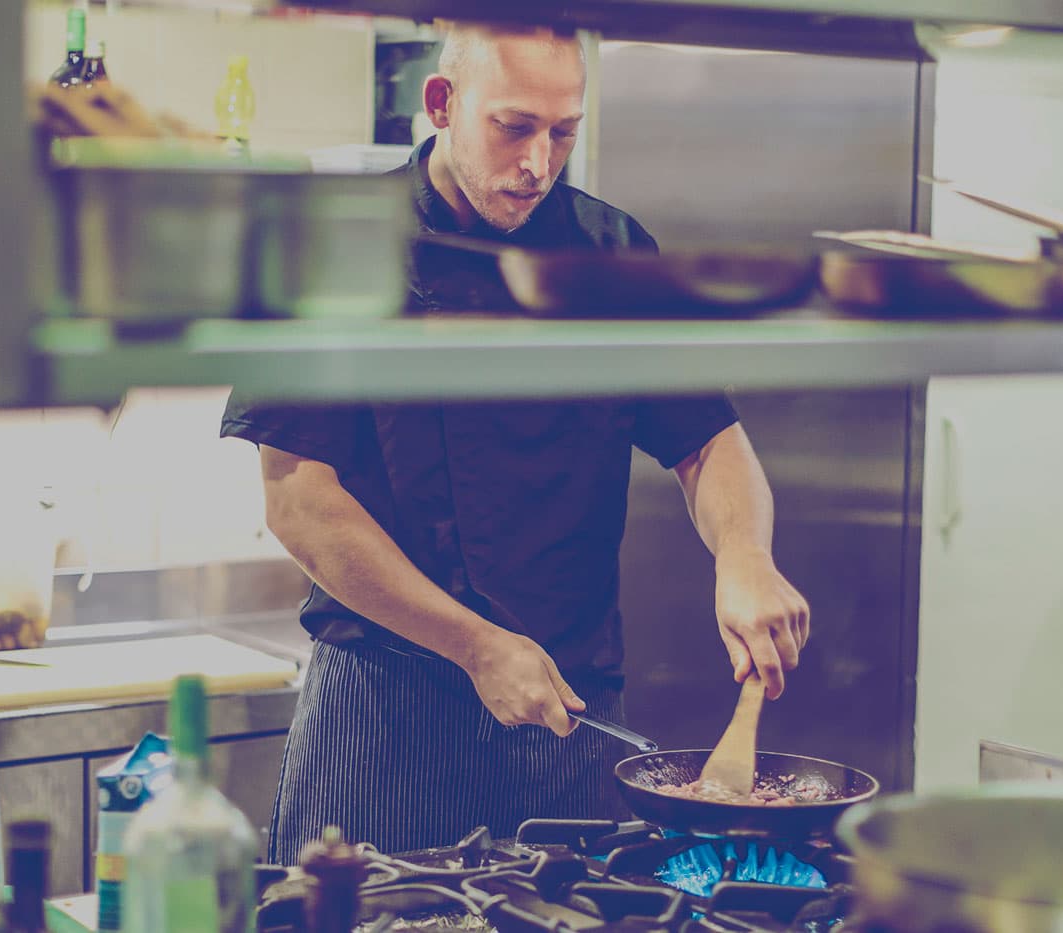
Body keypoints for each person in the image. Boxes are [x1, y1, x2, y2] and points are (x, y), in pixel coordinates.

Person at [221, 23, 809, 863]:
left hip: (566, 714)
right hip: (389, 709)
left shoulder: (612, 255)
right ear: (441, 103)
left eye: (563, 133)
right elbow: (300, 501)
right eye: (513, 127)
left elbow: (708, 441)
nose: (539, 162)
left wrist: (744, 555)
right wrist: (475, 645)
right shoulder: (336, 244)